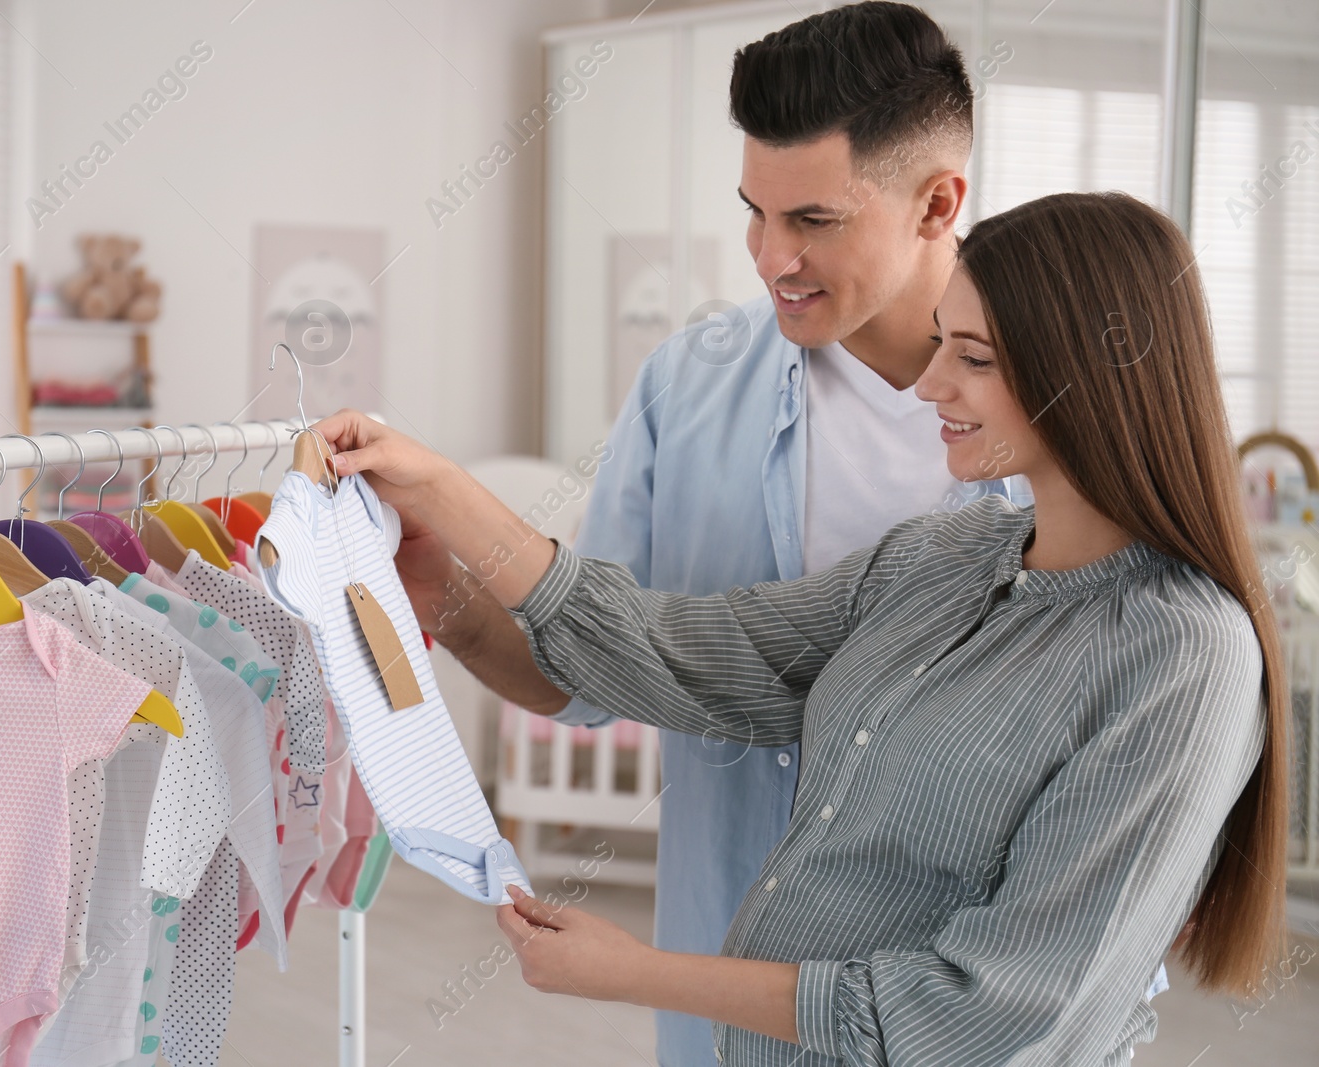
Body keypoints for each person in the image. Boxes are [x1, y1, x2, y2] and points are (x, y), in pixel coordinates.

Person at [310, 190, 1289, 1065]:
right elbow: (684, 648)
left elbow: (977, 1014)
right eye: (941, 340)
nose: (927, 384)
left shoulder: (1180, 654)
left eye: (973, 357)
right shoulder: (942, 558)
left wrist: (642, 972)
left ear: (1096, 376)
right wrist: (443, 506)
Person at [405, 7, 1032, 1061]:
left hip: (948, 1003)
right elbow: (596, 671)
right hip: (718, 985)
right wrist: (452, 607)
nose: (768, 257)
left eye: (814, 221)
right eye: (754, 211)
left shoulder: (1060, 411)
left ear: (939, 203)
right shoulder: (687, 384)